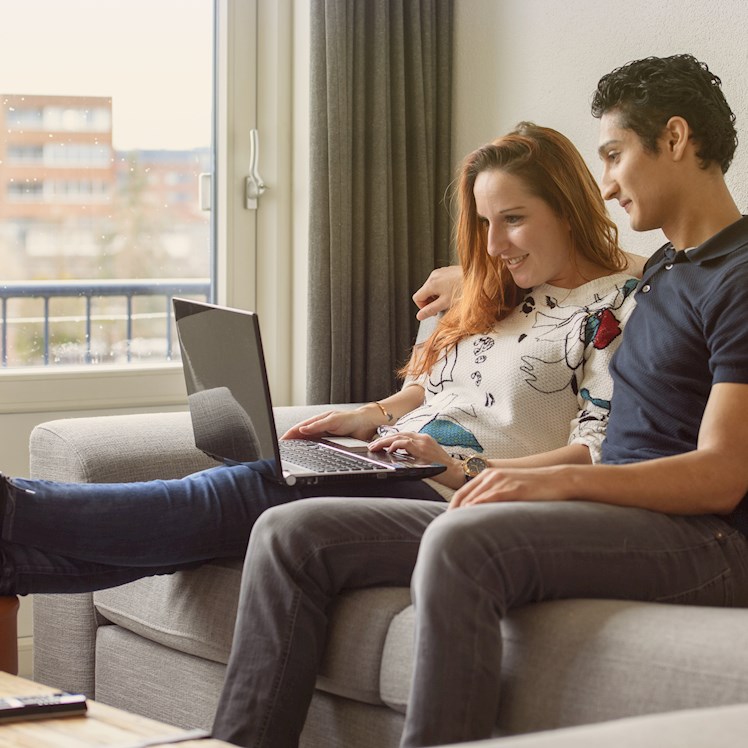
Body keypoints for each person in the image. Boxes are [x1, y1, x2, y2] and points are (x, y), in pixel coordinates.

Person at [210, 53, 748, 748]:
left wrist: (558, 482)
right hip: (621, 510)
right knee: (292, 535)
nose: (607, 184)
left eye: (614, 156)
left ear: (675, 140)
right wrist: (476, 278)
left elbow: (722, 474)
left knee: (465, 542)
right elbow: (592, 275)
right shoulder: (669, 270)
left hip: (704, 541)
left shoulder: (739, 277)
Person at [0, 123, 636, 597]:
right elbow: (432, 389)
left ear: (570, 208)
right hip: (392, 462)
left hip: (459, 496)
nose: (494, 245)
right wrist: (369, 415)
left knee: (243, 490)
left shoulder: (620, 308)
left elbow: (596, 452)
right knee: (242, 491)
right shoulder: (493, 287)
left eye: (515, 220)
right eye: (485, 223)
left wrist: (461, 463)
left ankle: (14, 506)